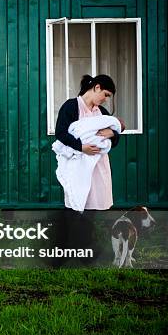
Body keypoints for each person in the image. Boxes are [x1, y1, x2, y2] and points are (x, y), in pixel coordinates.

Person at [52, 74, 121, 266]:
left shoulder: (102, 112)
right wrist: (80, 146)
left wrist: (112, 133)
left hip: (98, 167)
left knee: (91, 209)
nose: (105, 99)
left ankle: (85, 251)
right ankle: (62, 252)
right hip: (78, 166)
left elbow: (114, 138)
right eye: (105, 94)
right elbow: (61, 133)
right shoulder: (72, 106)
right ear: (97, 88)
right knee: (75, 207)